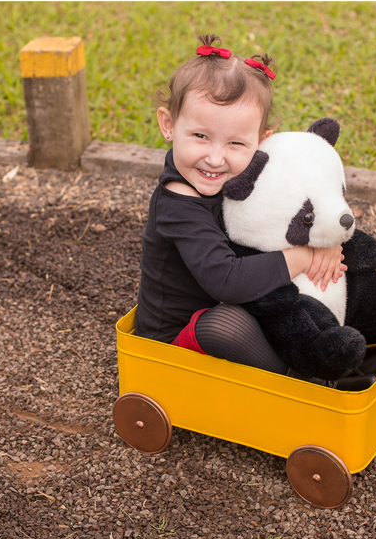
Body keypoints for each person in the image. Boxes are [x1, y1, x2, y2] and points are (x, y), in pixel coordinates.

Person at [134, 34, 345, 375]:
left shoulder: (249, 174)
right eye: (200, 136)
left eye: (235, 142)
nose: (215, 158)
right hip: (176, 340)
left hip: (248, 301)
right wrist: (305, 255)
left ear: (263, 142)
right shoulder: (177, 204)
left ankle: (344, 342)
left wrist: (325, 241)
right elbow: (227, 281)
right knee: (226, 323)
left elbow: (292, 208)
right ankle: (296, 379)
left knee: (304, 293)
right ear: (169, 125)